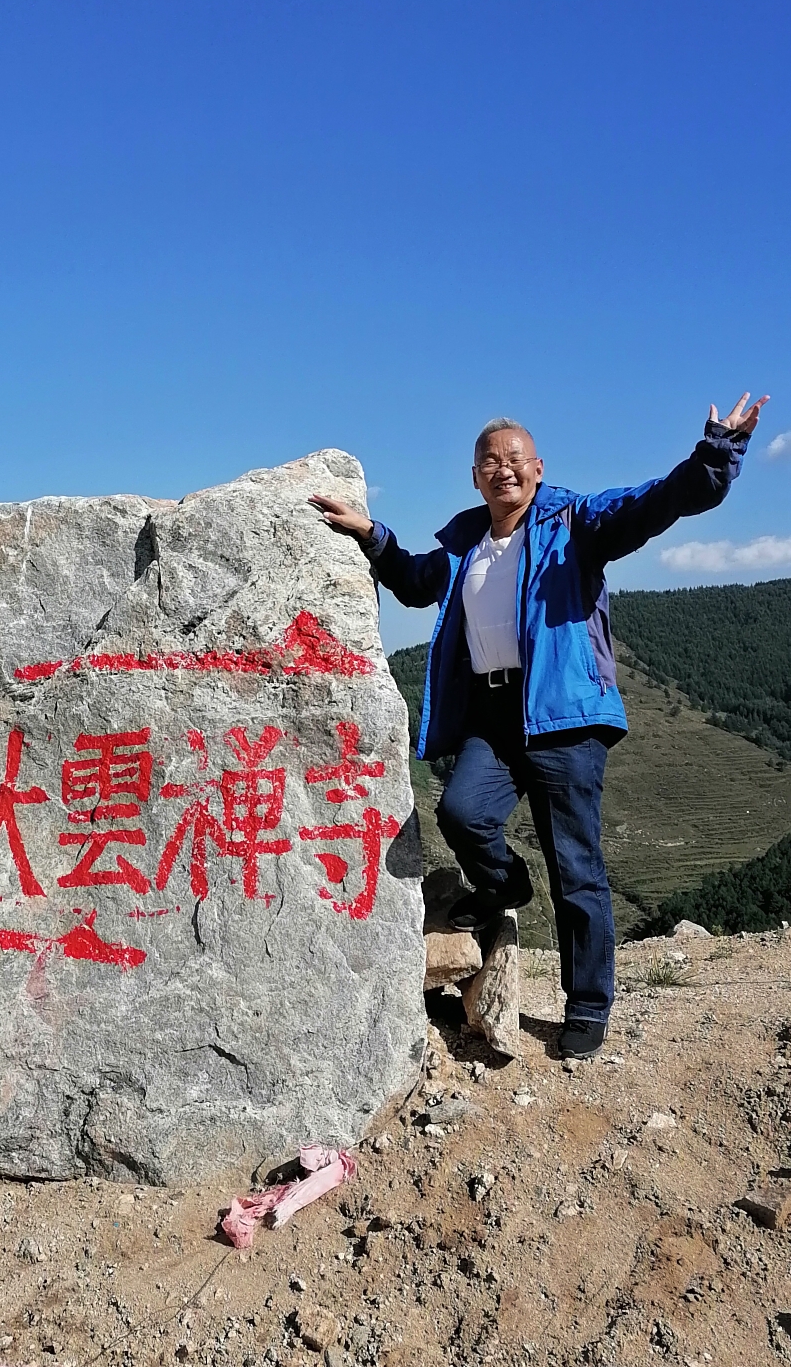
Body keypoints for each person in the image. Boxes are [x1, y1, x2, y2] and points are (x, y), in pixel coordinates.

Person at [309, 394, 767, 1058]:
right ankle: (504, 885)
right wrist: (369, 533)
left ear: (539, 468)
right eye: (489, 462)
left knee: (576, 867)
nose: (504, 470)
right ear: (474, 475)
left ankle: (587, 1006)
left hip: (563, 717)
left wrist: (718, 451)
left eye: (515, 460)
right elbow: (412, 581)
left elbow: (658, 502)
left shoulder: (575, 522)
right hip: (493, 716)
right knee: (463, 813)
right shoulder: (464, 543)